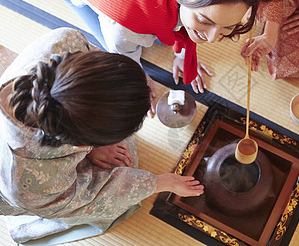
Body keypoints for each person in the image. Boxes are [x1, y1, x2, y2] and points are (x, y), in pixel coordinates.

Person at [0, 28, 204, 244]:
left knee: (121, 154)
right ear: (79, 144)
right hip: (30, 187)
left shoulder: (65, 42)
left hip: (65, 138)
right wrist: (160, 183)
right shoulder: (29, 183)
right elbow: (86, 198)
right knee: (126, 167)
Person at [34, 0, 260, 95]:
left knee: (162, 37)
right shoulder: (124, 24)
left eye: (227, 27)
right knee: (122, 44)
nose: (211, 39)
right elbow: (124, 53)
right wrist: (139, 76)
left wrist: (184, 52)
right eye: (205, 21)